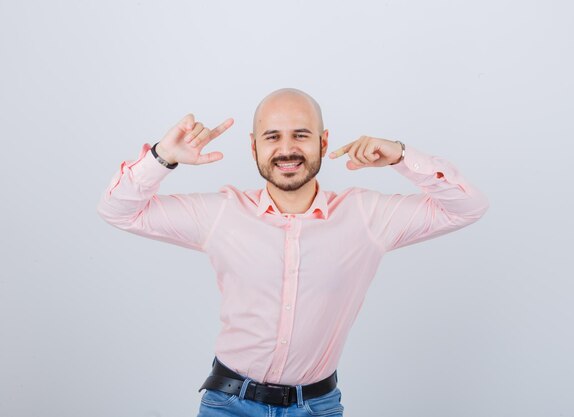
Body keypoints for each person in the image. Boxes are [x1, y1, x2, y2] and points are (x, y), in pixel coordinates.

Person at [96, 88, 489, 417]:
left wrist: (402, 156)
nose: (287, 150)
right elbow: (119, 211)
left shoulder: (366, 216)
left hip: (317, 406)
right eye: (272, 137)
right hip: (229, 405)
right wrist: (162, 157)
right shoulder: (221, 213)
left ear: (323, 142)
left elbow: (466, 207)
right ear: (254, 147)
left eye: (301, 135)